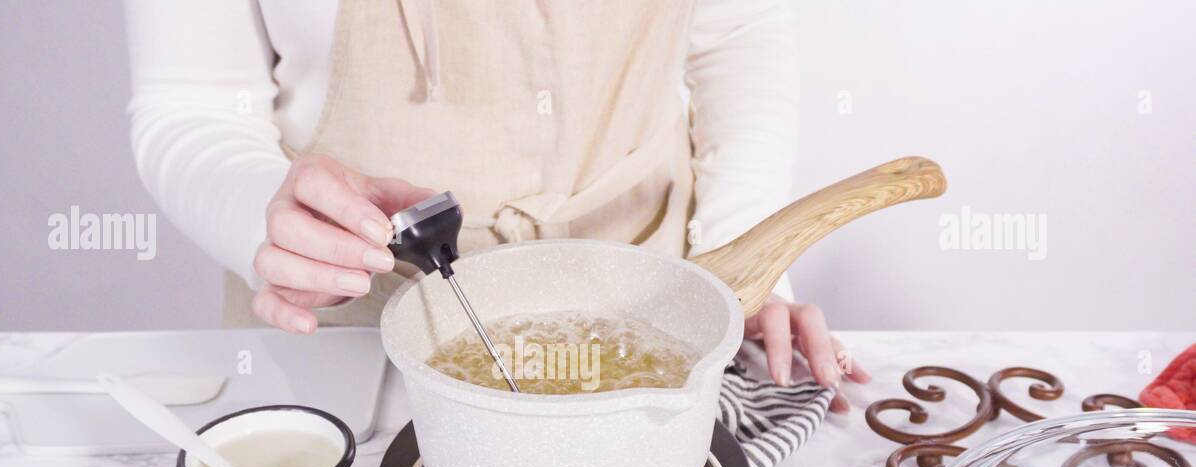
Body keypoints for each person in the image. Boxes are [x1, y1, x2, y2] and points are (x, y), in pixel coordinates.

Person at [123, 0, 869, 410]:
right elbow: (193, 105)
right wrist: (268, 217)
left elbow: (735, 29)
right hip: (354, 340)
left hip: (652, 301)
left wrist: (742, 253)